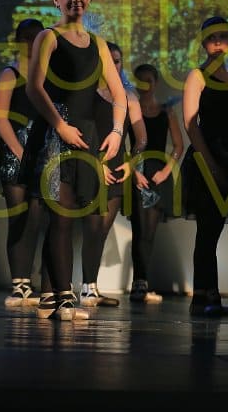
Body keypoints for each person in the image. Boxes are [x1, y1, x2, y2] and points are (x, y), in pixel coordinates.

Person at [23, 0, 127, 321]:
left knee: (71, 217)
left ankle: (51, 296)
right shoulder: (48, 37)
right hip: (55, 134)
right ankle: (63, 297)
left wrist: (116, 131)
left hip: (84, 135)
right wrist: (60, 125)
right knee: (61, 216)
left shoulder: (98, 44)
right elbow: (34, 88)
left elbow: (119, 93)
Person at [180, 16, 228, 317]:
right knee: (207, 230)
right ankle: (204, 296)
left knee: (214, 228)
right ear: (203, 42)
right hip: (206, 159)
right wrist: (209, 163)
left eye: (224, 36)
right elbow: (190, 125)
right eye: (212, 37)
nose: (219, 42)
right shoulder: (197, 76)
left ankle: (207, 296)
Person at [79, 41, 149, 308]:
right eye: (108, 60)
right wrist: (97, 164)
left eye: (117, 60)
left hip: (118, 170)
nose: (113, 64)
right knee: (90, 228)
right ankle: (83, 288)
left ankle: (91, 287)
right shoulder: (88, 93)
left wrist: (131, 163)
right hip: (91, 166)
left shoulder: (129, 97)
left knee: (100, 231)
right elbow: (82, 134)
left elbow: (141, 139)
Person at [0, 18, 47, 307]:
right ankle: (18, 283)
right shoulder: (10, 74)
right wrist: (20, 152)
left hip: (40, 152)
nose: (31, 42)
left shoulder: (47, 76)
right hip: (15, 151)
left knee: (35, 219)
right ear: (18, 40)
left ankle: (29, 280)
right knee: (18, 217)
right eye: (26, 37)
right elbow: (0, 119)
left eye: (36, 37)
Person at [128, 63, 183, 304]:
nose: (144, 85)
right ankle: (139, 283)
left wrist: (166, 171)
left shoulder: (166, 111)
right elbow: (126, 145)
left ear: (156, 83)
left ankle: (142, 282)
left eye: (148, 80)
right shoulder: (131, 110)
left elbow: (178, 146)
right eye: (140, 81)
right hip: (137, 174)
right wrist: (133, 171)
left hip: (158, 175)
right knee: (139, 229)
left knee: (149, 231)